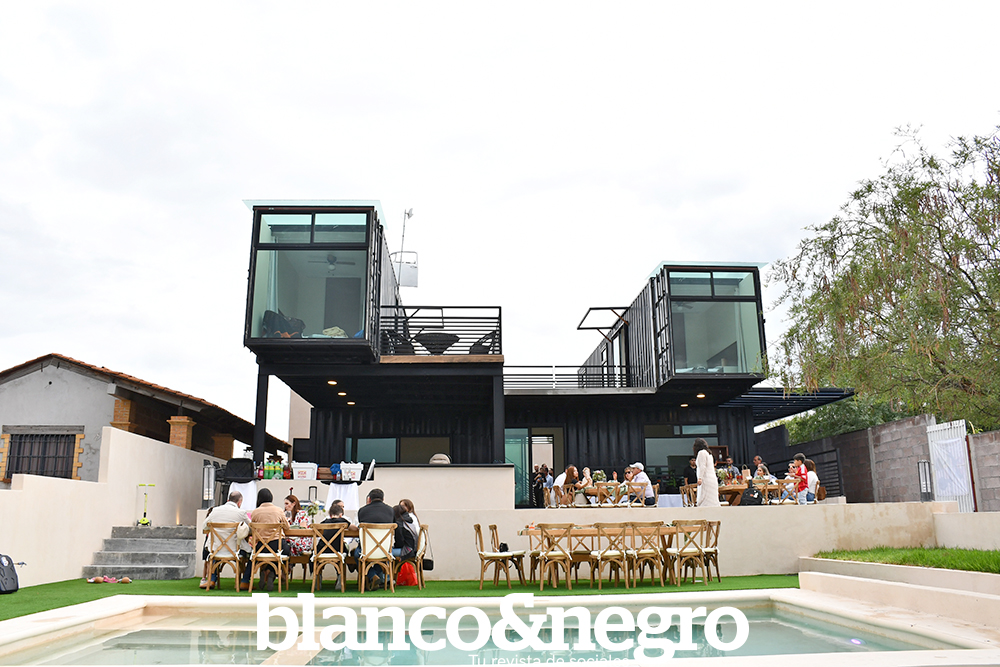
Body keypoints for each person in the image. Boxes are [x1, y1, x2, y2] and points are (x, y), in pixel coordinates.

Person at [241, 487, 290, 591]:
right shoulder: (279, 510)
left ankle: (246, 580)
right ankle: (272, 572)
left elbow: (253, 528)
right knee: (285, 551)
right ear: (271, 498)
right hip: (277, 545)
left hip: (261, 547)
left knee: (253, 557)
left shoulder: (255, 512)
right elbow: (287, 527)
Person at [355, 488, 394, 588]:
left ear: (369, 499)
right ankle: (375, 575)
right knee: (383, 557)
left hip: (366, 550)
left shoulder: (362, 511)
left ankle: (372, 575)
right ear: (383, 499)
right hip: (385, 549)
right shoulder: (390, 510)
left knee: (356, 554)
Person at [315, 503, 351, 590]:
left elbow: (317, 530)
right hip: (338, 551)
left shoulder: (324, 522)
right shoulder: (343, 521)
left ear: (330, 515)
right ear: (341, 515)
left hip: (322, 551)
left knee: (314, 551)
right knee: (345, 549)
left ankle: (317, 577)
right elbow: (354, 528)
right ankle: (340, 576)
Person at [694, 438, 720, 507]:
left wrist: (700, 478)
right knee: (712, 499)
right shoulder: (709, 454)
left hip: (706, 478)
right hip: (712, 479)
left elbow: (702, 466)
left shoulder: (701, 453)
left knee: (704, 497)